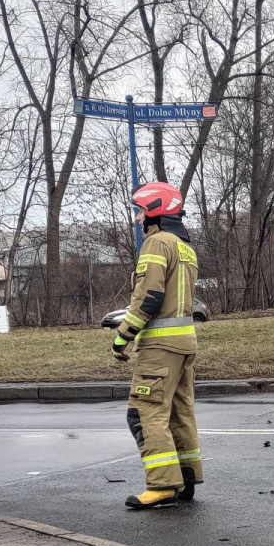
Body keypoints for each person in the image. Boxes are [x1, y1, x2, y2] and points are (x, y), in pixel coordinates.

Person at [112, 182, 203, 509]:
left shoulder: (156, 243)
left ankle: (162, 485)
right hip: (185, 343)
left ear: (154, 209)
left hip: (160, 347)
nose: (138, 218)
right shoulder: (185, 247)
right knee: (179, 412)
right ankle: (187, 476)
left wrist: (123, 335)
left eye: (140, 210)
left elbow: (148, 297)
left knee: (144, 412)